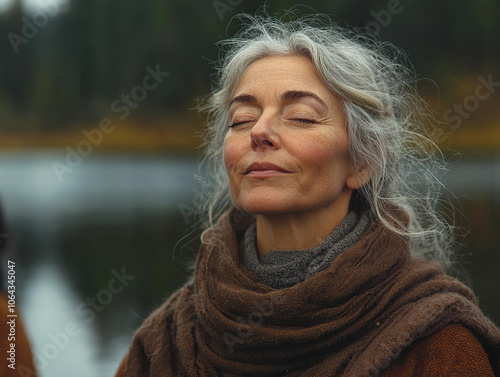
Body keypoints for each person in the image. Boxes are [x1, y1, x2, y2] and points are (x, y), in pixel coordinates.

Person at [115, 14, 500, 376]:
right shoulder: (166, 342)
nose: (259, 131)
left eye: (300, 116)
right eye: (241, 119)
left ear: (361, 162)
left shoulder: (437, 342)